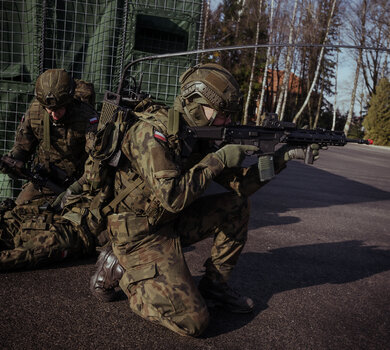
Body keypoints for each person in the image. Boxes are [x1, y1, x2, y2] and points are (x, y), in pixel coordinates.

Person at [89, 63, 320, 336]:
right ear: (196, 104)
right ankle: (124, 269)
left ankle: (215, 286)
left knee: (236, 205)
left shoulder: (198, 135)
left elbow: (242, 186)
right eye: (221, 114)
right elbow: (172, 197)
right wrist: (217, 160)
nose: (227, 121)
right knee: (193, 322)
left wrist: (283, 158)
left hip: (170, 221)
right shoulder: (152, 134)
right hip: (139, 233)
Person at [0, 68, 100, 271]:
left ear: (70, 101)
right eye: (48, 109)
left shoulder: (87, 118)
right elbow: (22, 148)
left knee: (74, 230)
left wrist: (74, 190)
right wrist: (11, 163)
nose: (54, 114)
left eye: (59, 109)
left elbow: (96, 165)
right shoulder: (36, 112)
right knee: (18, 216)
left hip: (79, 187)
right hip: (43, 181)